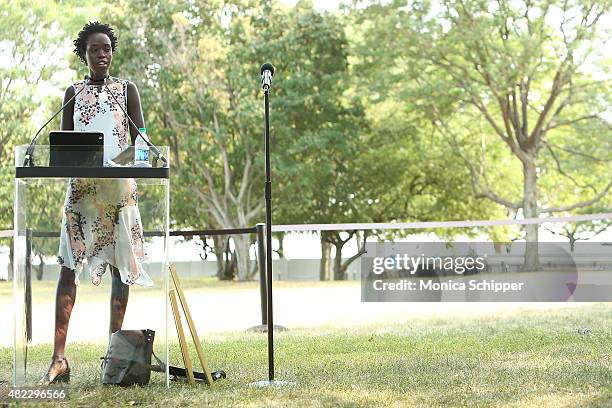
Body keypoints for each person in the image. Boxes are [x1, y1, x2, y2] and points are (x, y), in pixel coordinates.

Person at [39, 22, 153, 385]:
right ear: (84, 55)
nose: (101, 54)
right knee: (68, 269)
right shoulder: (73, 93)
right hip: (83, 194)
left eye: (106, 48)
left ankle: (114, 358)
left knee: (122, 270)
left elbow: (142, 144)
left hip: (117, 193)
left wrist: (118, 160)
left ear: (112, 52)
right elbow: (67, 148)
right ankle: (59, 360)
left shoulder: (126, 90)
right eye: (94, 50)